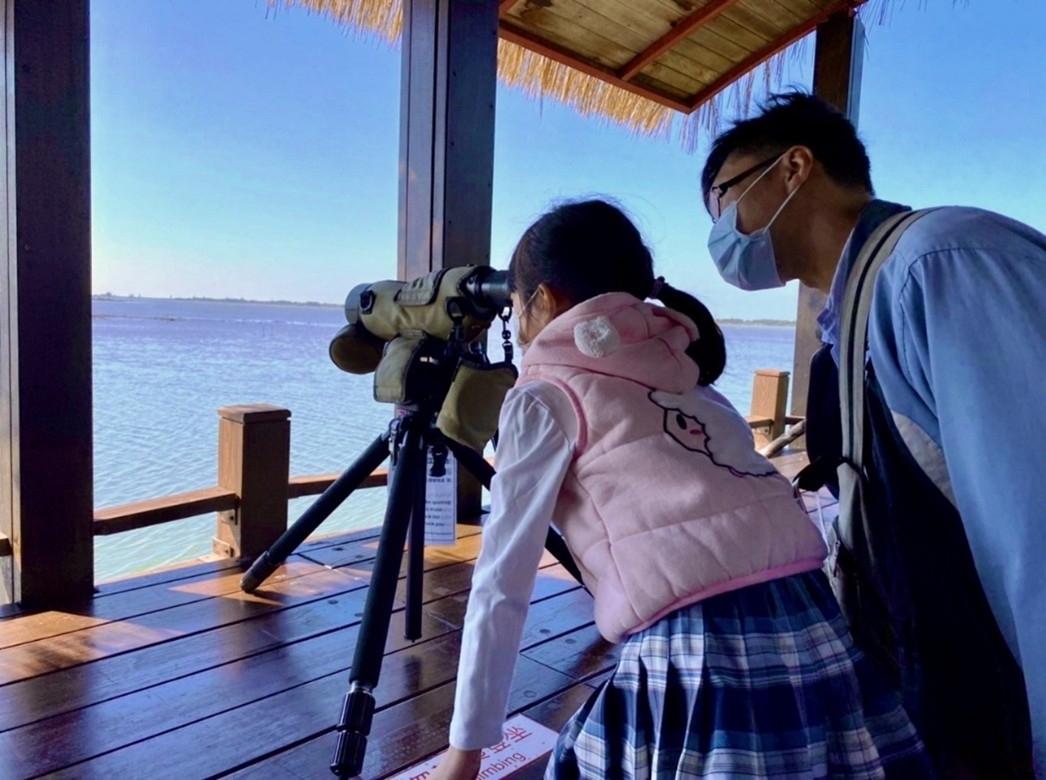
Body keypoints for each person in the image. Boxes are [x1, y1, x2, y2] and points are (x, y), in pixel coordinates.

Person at [430, 199, 930, 779]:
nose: (516, 322)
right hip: (810, 617)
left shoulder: (544, 396)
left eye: (516, 304)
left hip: (700, 645)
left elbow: (502, 579)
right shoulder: (690, 380)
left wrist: (465, 752)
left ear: (543, 300)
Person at [699, 90, 1045, 778]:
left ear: (794, 168)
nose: (717, 231)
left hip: (1005, 704)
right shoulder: (851, 321)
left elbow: (1034, 529)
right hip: (944, 689)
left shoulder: (940, 263)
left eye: (724, 198)